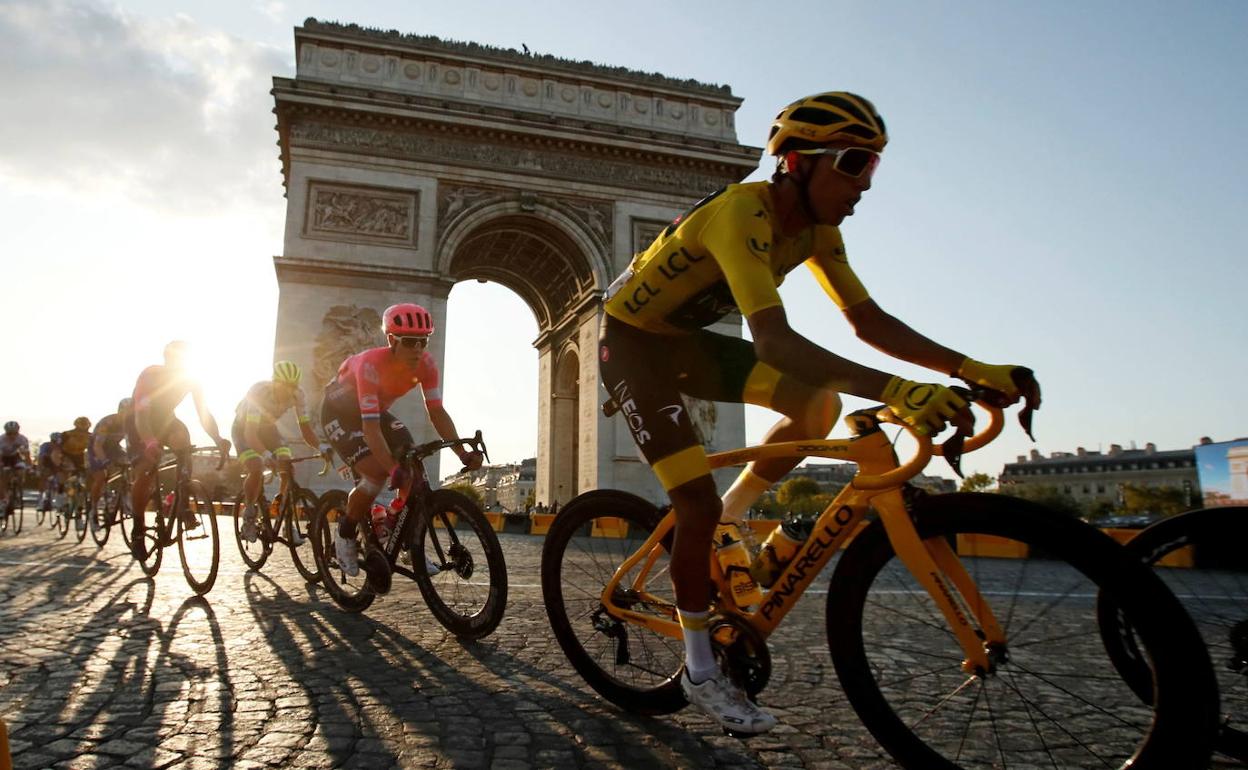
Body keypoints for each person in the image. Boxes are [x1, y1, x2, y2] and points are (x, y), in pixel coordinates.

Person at [598, 91, 1040, 734]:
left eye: (875, 167)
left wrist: (968, 369)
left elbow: (867, 321)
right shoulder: (739, 213)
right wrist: (896, 390)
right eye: (854, 163)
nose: (865, 184)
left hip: (687, 343)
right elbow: (775, 342)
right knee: (693, 503)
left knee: (818, 404)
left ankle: (736, 517)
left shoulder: (818, 232)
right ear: (797, 163)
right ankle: (699, 672)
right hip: (632, 344)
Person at [320, 302, 483, 593]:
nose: (418, 348)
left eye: (424, 341)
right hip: (340, 413)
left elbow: (436, 411)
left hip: (374, 412)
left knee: (411, 463)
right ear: (392, 340)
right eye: (410, 342)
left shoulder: (427, 365)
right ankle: (344, 534)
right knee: (376, 472)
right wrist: (390, 468)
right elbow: (369, 429)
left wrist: (462, 452)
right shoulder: (370, 365)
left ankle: (397, 527)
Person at [127, 341, 231, 557]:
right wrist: (150, 442)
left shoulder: (192, 379)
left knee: (183, 440)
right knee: (146, 469)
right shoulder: (151, 375)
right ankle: (138, 529)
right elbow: (142, 416)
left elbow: (203, 413)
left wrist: (218, 437)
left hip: (166, 419)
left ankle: (182, 502)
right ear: (167, 360)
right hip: (140, 421)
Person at [233, 360, 326, 543]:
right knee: (257, 467)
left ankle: (282, 512)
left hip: (268, 429)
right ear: (274, 382)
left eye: (293, 386)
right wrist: (266, 455)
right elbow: (250, 434)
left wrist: (322, 447)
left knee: (287, 466)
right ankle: (249, 513)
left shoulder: (298, 396)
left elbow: (306, 429)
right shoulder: (258, 393)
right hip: (244, 429)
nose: (289, 390)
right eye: (285, 385)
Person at [87, 399, 132, 512]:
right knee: (101, 476)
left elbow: (131, 443)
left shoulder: (132, 422)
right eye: (125, 412)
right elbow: (98, 446)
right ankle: (93, 508)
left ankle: (124, 494)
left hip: (113, 447)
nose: (128, 415)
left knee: (131, 465)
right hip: (97, 447)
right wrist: (105, 461)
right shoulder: (108, 423)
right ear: (119, 411)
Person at [0, 421, 33, 511]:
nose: (12, 436)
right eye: (9, 433)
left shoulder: (22, 439)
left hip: (15, 457)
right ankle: (3, 499)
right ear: (6, 432)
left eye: (15, 433)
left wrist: (29, 467)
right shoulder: (1, 439)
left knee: (21, 469)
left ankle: (18, 488)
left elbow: (26, 454)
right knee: (3, 476)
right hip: (3, 458)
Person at [36, 432, 68, 512]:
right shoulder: (45, 446)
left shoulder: (63, 447)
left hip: (59, 462)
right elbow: (41, 458)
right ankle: (40, 500)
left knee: (62, 478)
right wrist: (39, 469)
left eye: (58, 443)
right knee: (44, 476)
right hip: (47, 462)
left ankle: (59, 499)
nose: (55, 444)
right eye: (54, 442)